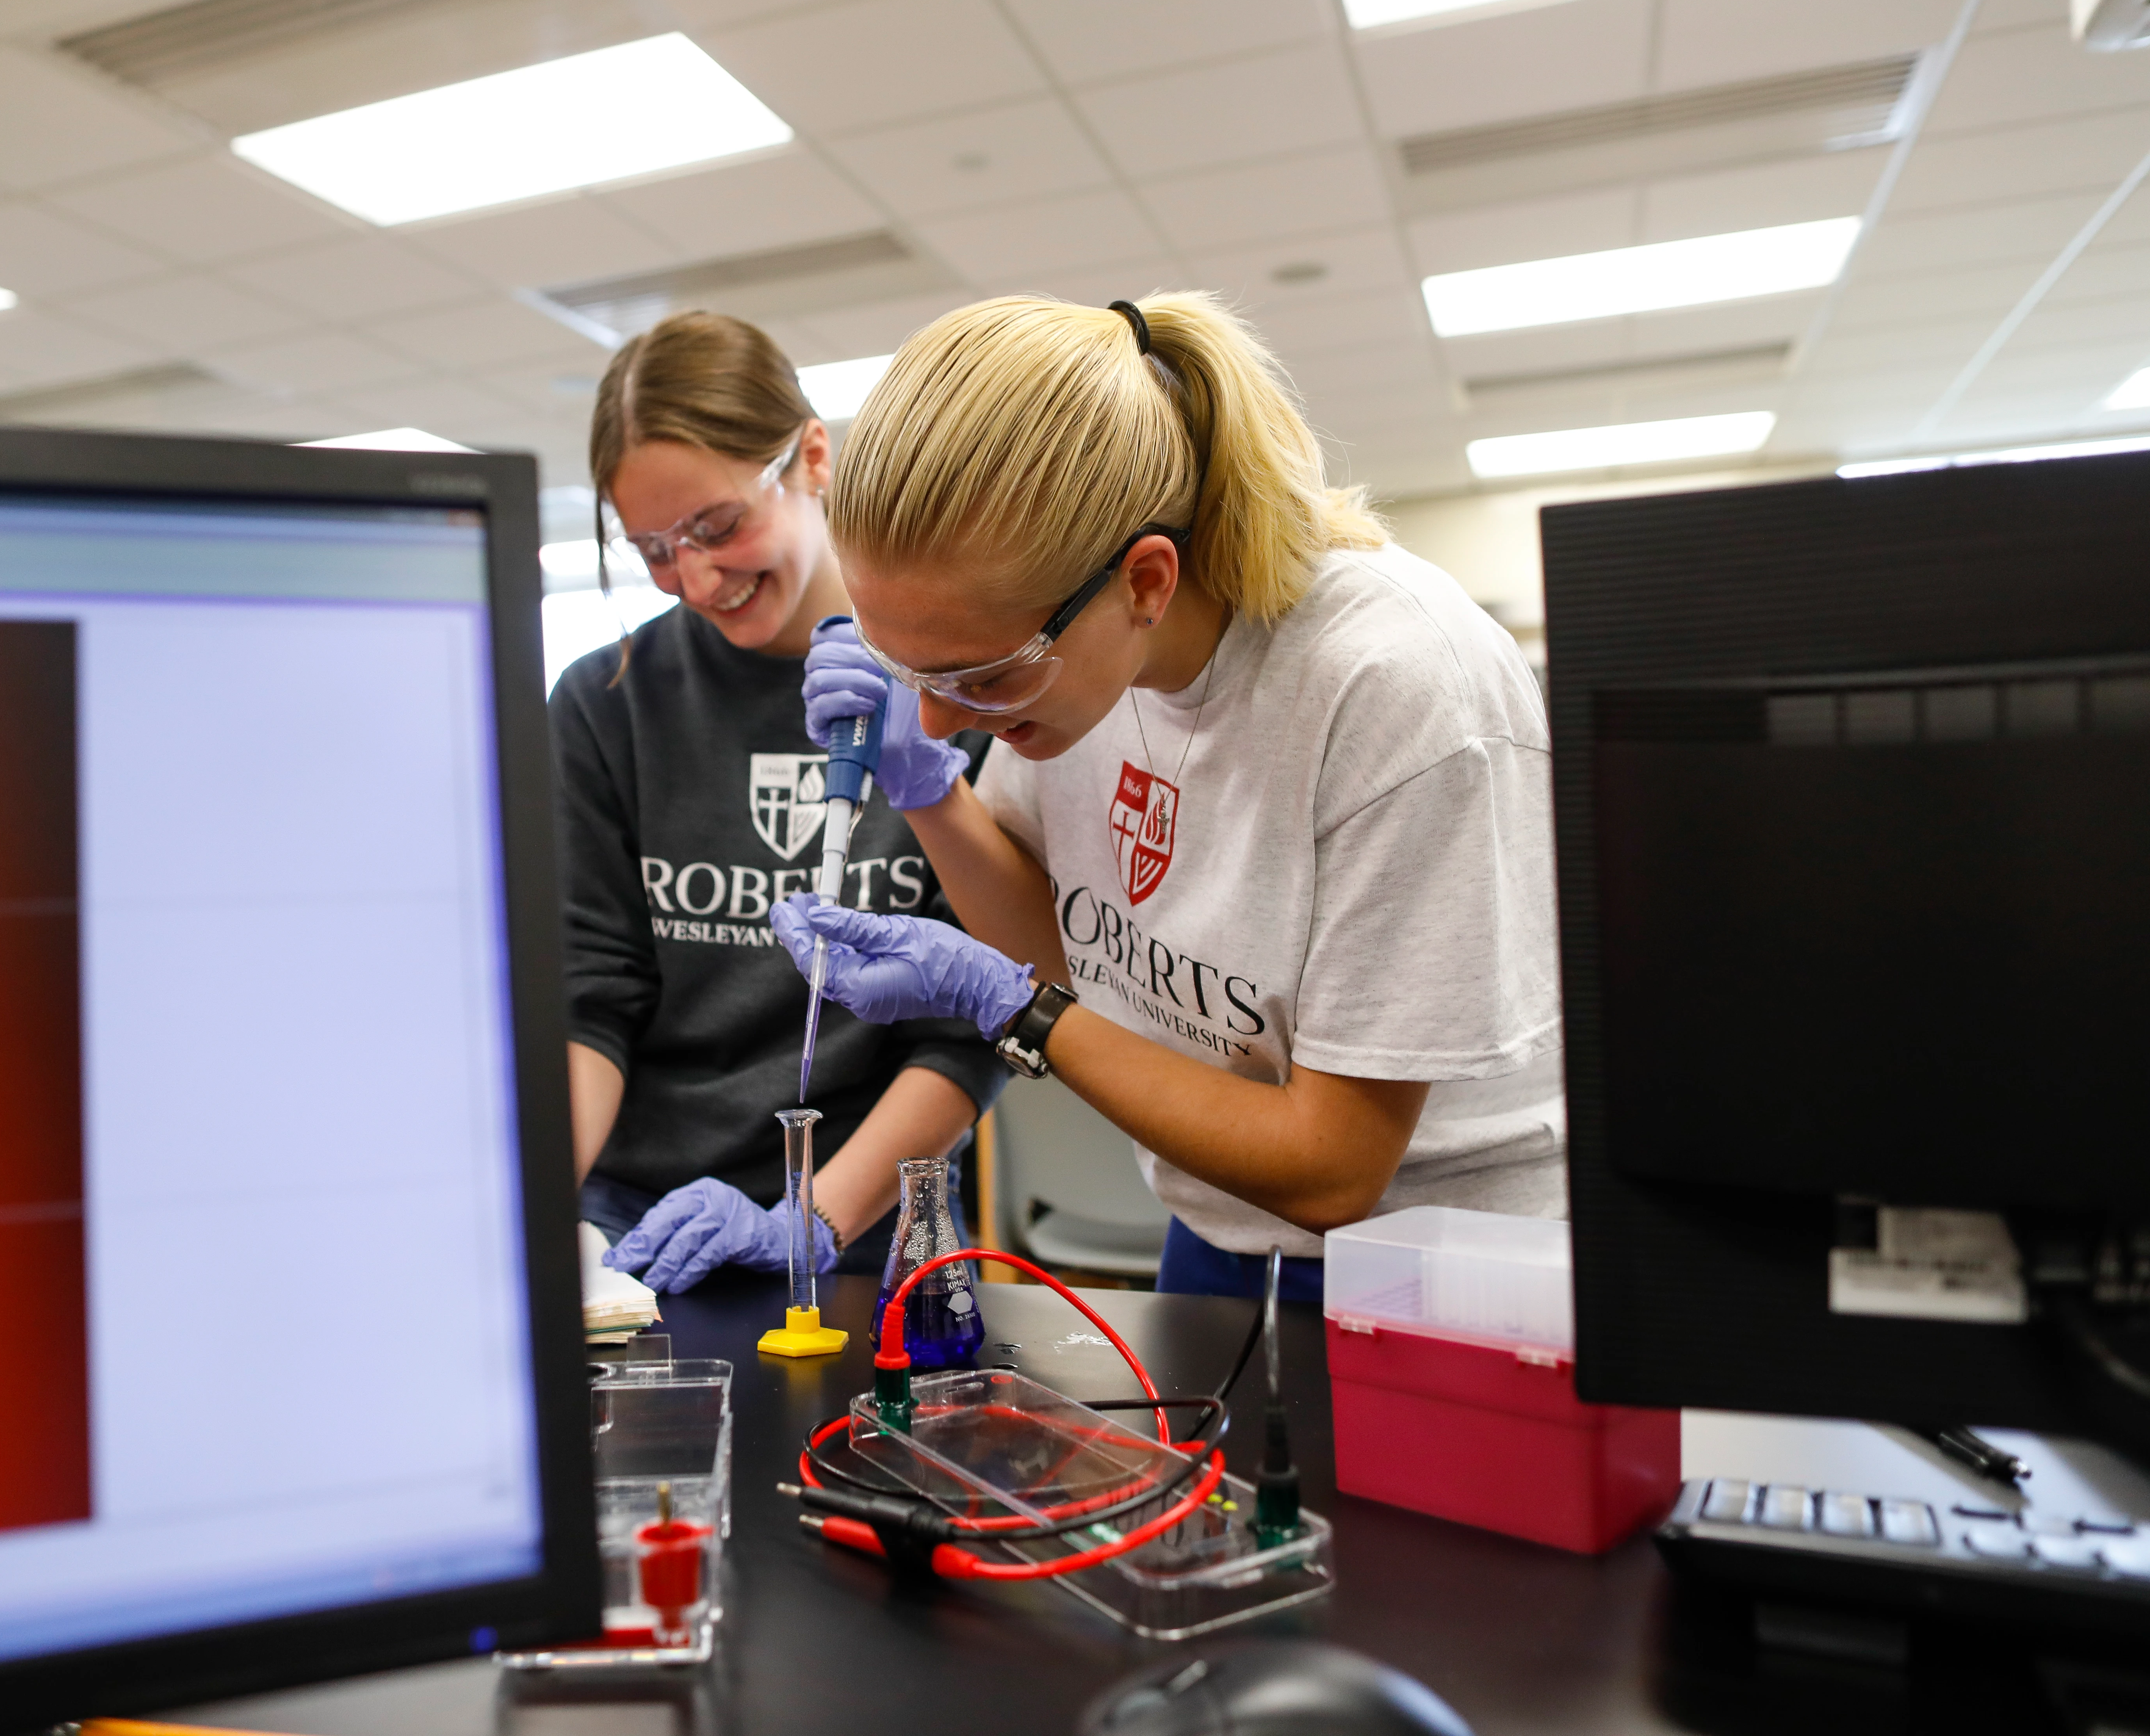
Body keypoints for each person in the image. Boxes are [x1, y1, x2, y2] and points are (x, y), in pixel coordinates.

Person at [769, 292, 1562, 1302]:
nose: (937, 716)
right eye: (910, 669)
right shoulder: (1071, 666)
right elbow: (1069, 948)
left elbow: (1334, 1167)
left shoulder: (1393, 685)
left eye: (980, 675)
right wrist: (929, 794)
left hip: (1443, 1271)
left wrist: (1015, 1010)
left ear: (1145, 582)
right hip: (1217, 1228)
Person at [554, 310, 1005, 1294]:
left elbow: (968, 1028)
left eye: (718, 527)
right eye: (654, 548)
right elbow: (591, 1002)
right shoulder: (606, 705)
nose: (695, 577)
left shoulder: (955, 688)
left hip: (878, 1221)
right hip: (641, 1232)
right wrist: (532, 1209)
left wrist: (812, 1219)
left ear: (812, 457)